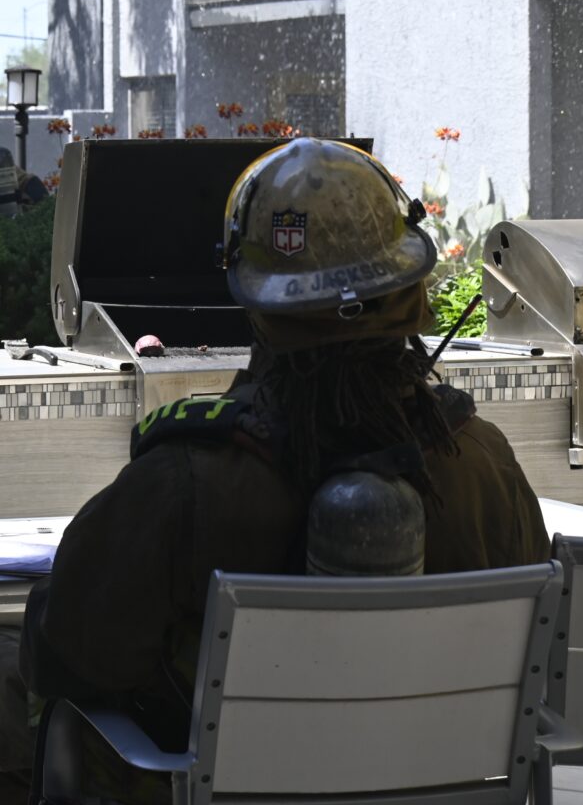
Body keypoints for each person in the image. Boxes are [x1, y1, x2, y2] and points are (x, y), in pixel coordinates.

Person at [1, 138, 549, 802]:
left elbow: (68, 654)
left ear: (257, 304)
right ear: (408, 288)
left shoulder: (182, 484)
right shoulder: (484, 463)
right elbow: (535, 666)